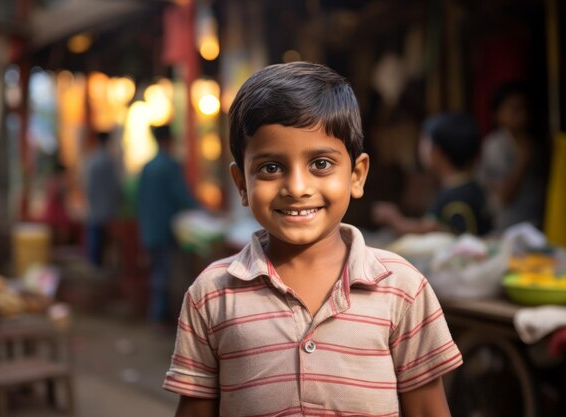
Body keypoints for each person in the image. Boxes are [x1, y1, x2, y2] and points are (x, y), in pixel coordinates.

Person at [164, 62, 462, 417]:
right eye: (271, 168)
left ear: (356, 174)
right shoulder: (212, 295)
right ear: (242, 183)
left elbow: (429, 409)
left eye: (320, 164)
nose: (297, 188)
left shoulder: (402, 289)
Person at [372, 113, 492, 236]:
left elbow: (431, 228)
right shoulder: (470, 186)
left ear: (436, 151)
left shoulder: (454, 196)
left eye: (424, 141)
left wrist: (395, 220)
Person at [137, 124, 197, 326]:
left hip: (149, 229)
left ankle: (156, 316)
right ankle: (161, 317)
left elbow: (140, 201)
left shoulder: (147, 167)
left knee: (157, 273)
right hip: (166, 230)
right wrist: (204, 210)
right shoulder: (171, 166)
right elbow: (182, 196)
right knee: (166, 275)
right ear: (169, 140)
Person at [477, 82, 547, 231]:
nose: (522, 116)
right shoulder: (495, 146)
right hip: (509, 226)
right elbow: (505, 196)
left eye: (525, 109)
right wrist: (523, 160)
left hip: (536, 222)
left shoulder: (533, 142)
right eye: (515, 110)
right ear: (498, 114)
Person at [84, 131, 123, 268]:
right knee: (106, 240)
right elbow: (115, 186)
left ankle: (95, 267)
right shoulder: (108, 161)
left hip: (95, 207)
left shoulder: (92, 160)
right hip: (108, 209)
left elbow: (87, 186)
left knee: (95, 239)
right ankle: (103, 268)